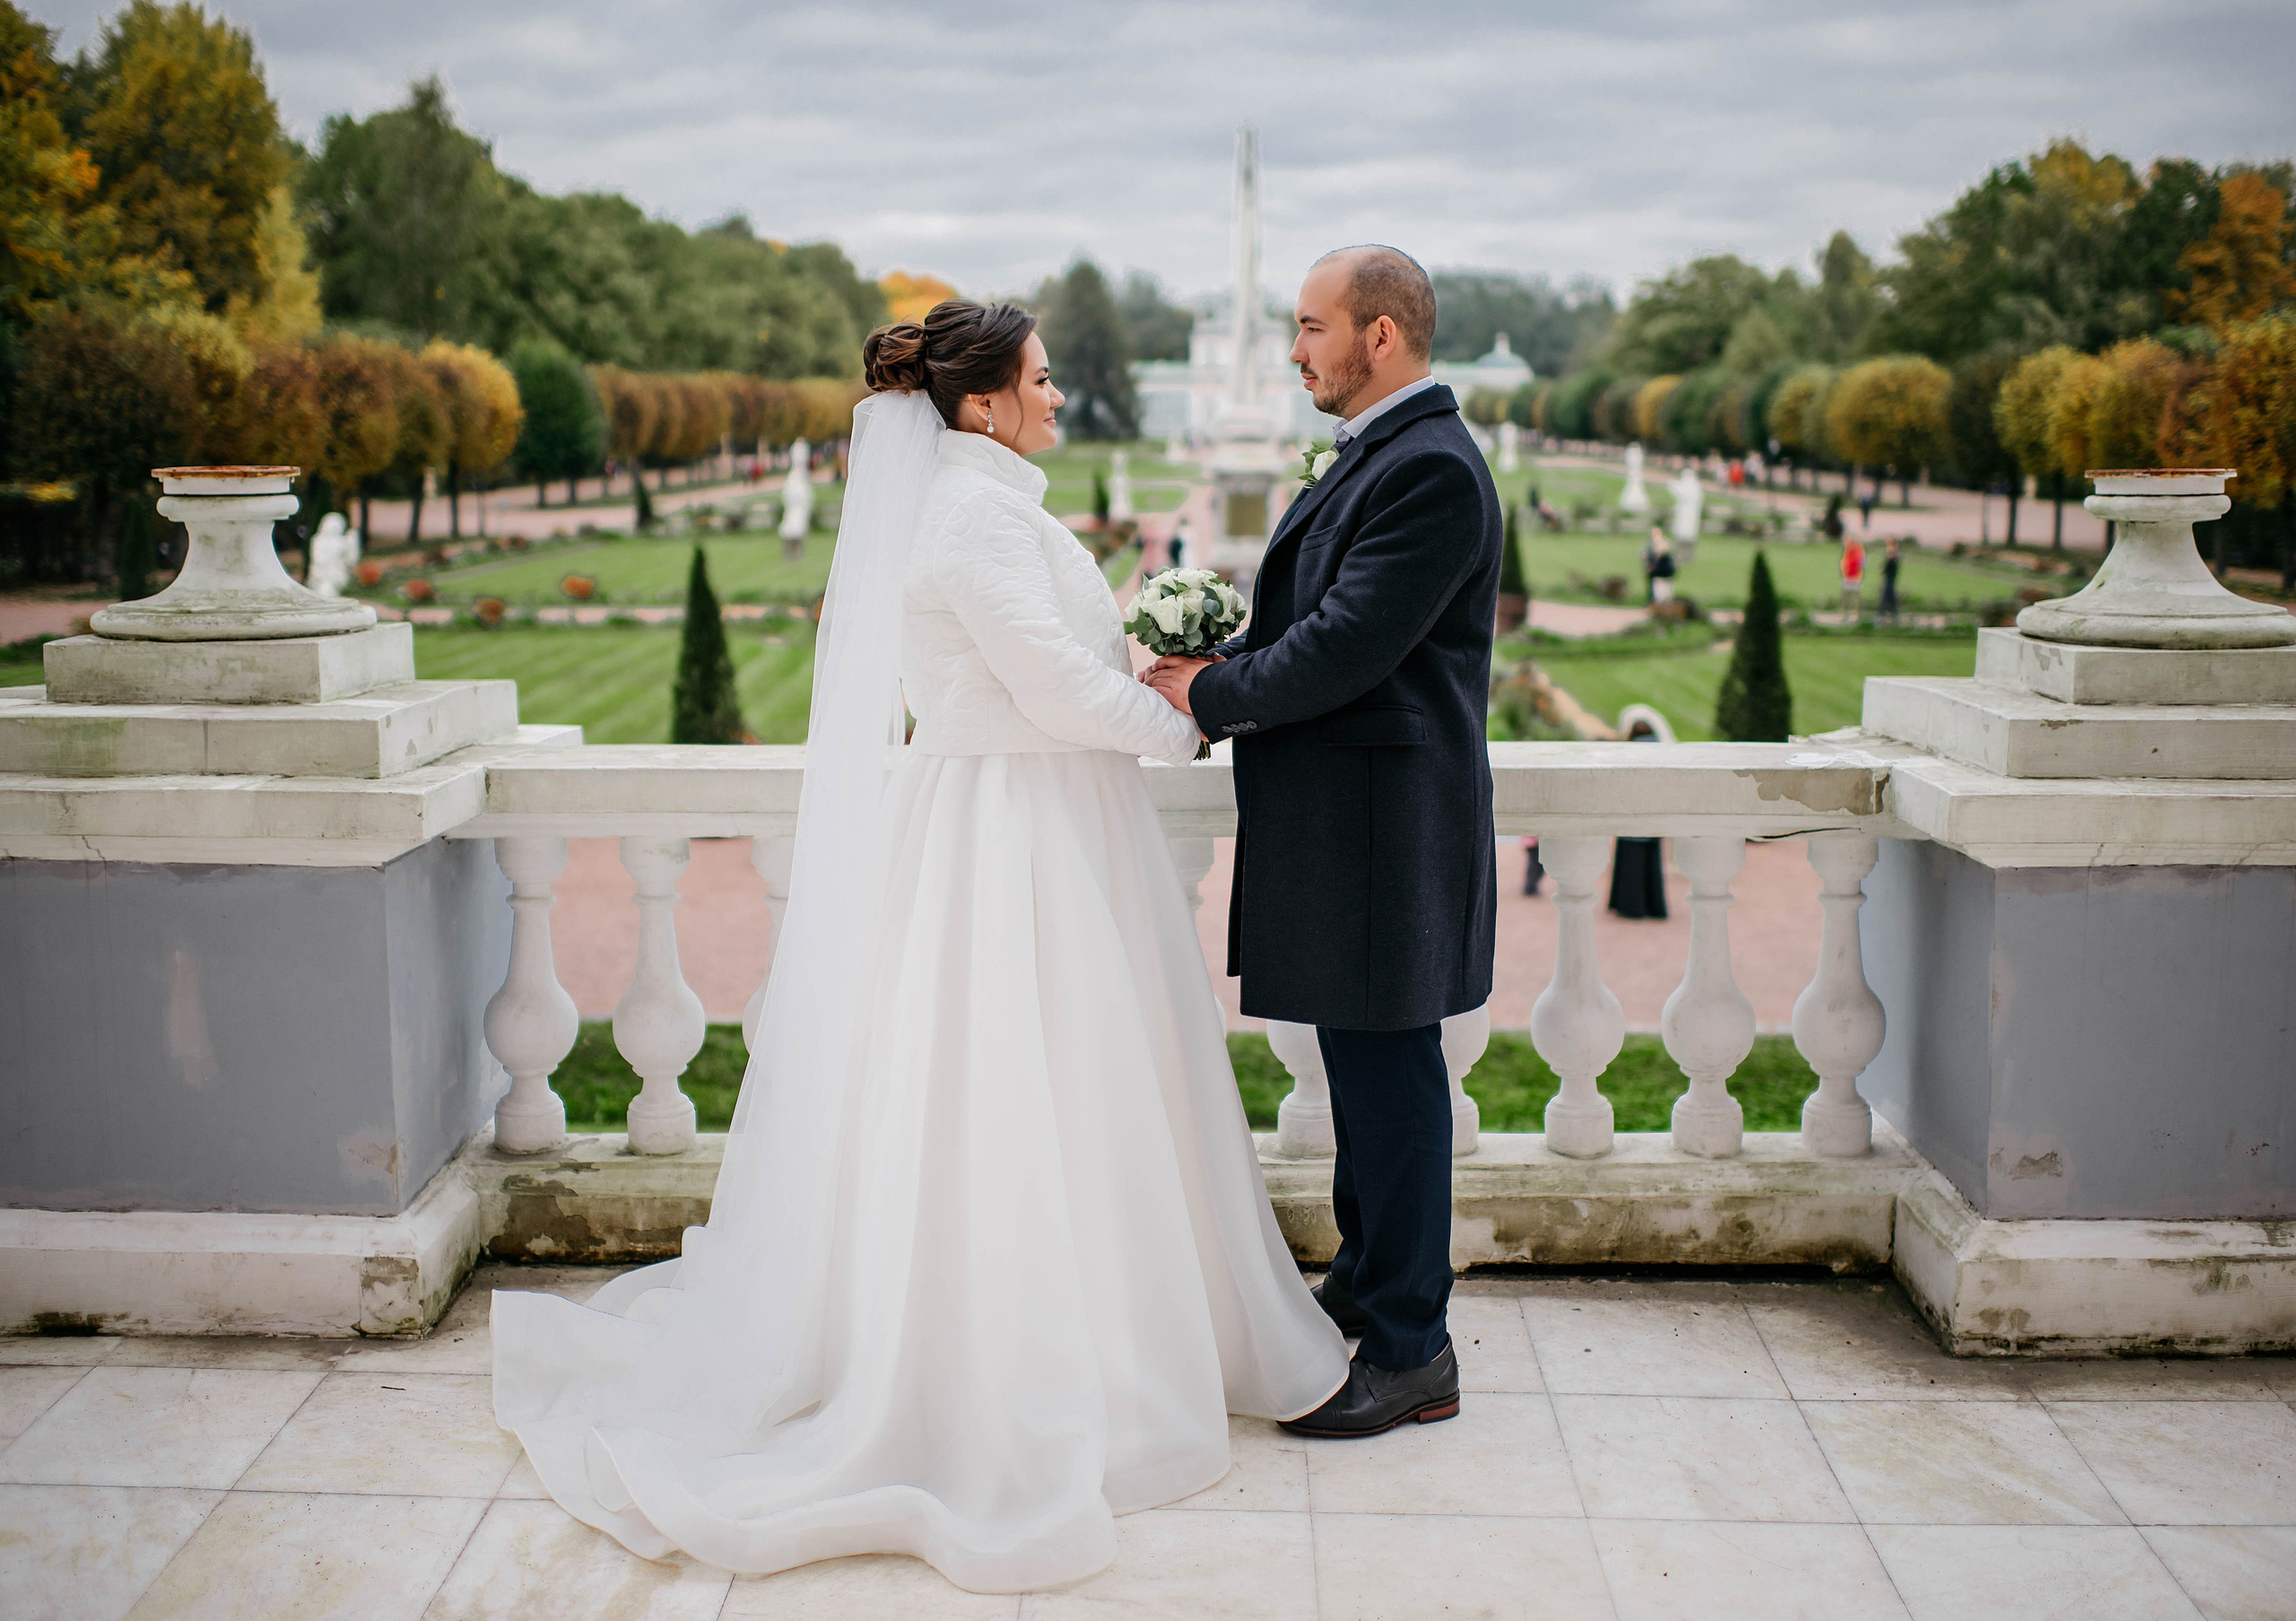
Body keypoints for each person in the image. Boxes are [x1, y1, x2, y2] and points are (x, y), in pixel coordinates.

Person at [491, 301, 1347, 1594]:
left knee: (1088, 1087)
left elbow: (1057, 666)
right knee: (997, 1089)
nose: (1060, 396)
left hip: (1056, 819)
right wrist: (1181, 725)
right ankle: (1000, 1370)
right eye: (1044, 380)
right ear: (984, 401)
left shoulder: (996, 500)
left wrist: (1162, 665)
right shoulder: (963, 519)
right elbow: (1052, 691)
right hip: (1005, 838)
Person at [1144, 246, 1499, 1441]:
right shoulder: (1394, 454)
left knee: (1394, 1077)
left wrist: (1208, 689)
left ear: (1380, 335)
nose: (1294, 351)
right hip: (1353, 818)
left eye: (1309, 327)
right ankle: (1366, 1278)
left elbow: (1346, 644)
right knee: (1360, 1063)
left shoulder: (1433, 469)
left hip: (1386, 828)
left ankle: (1413, 1347)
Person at [1642, 527, 1675, 605]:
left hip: (1660, 570)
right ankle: (1660, 601)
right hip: (1664, 570)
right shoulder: (1660, 543)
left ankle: (1659, 603)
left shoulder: (1659, 544)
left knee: (1660, 588)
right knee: (1663, 588)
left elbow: (1656, 556)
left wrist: (1652, 567)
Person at [1841, 533, 1866, 621]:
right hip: (1851, 575)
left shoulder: (1856, 550)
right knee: (1850, 594)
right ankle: (1847, 611)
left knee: (1851, 594)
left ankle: (1852, 612)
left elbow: (1859, 562)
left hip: (1853, 575)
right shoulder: (1853, 550)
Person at [1879, 537, 1901, 623]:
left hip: (1890, 577)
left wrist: (1883, 568)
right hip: (1891, 576)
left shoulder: (1893, 552)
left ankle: (1883, 612)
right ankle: (1892, 612)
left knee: (1886, 595)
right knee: (1890, 595)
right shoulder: (1894, 552)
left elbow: (1889, 564)